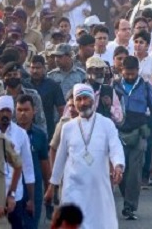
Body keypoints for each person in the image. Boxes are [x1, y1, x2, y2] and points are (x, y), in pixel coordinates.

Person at [45, 84, 125, 229]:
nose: (83, 103)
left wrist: (118, 166)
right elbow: (61, 158)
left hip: (98, 186)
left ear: (93, 100)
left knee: (99, 223)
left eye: (86, 99)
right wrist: (52, 185)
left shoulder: (106, 124)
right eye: (79, 99)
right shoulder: (67, 128)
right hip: (73, 186)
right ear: (74, 103)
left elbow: (115, 147)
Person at [114, 55, 152, 219]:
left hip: (139, 134)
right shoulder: (114, 87)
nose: (129, 76)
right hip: (118, 134)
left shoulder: (145, 86)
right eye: (126, 73)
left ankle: (130, 206)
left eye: (132, 73)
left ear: (138, 71)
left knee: (135, 172)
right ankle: (126, 197)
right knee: (122, 171)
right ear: (122, 71)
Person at [0, 95, 36, 229]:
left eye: (8, 111)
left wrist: (31, 200)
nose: (5, 114)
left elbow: (28, 169)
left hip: (15, 198)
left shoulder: (20, 134)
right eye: (1, 110)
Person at [15, 94, 50, 229]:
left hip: (34, 190)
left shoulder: (40, 135)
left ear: (34, 111)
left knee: (31, 225)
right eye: (19, 110)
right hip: (13, 189)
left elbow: (44, 163)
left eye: (26, 110)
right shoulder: (8, 134)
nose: (23, 113)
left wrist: (48, 188)